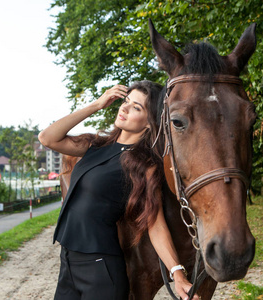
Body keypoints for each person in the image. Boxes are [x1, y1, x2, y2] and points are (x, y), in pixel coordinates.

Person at [38, 81, 199, 300]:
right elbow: (47, 138)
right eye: (126, 101)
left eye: (136, 107)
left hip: (101, 270)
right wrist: (96, 105)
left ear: (150, 123)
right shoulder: (95, 145)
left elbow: (155, 224)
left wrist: (178, 274)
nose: (124, 108)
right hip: (68, 262)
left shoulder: (144, 166)